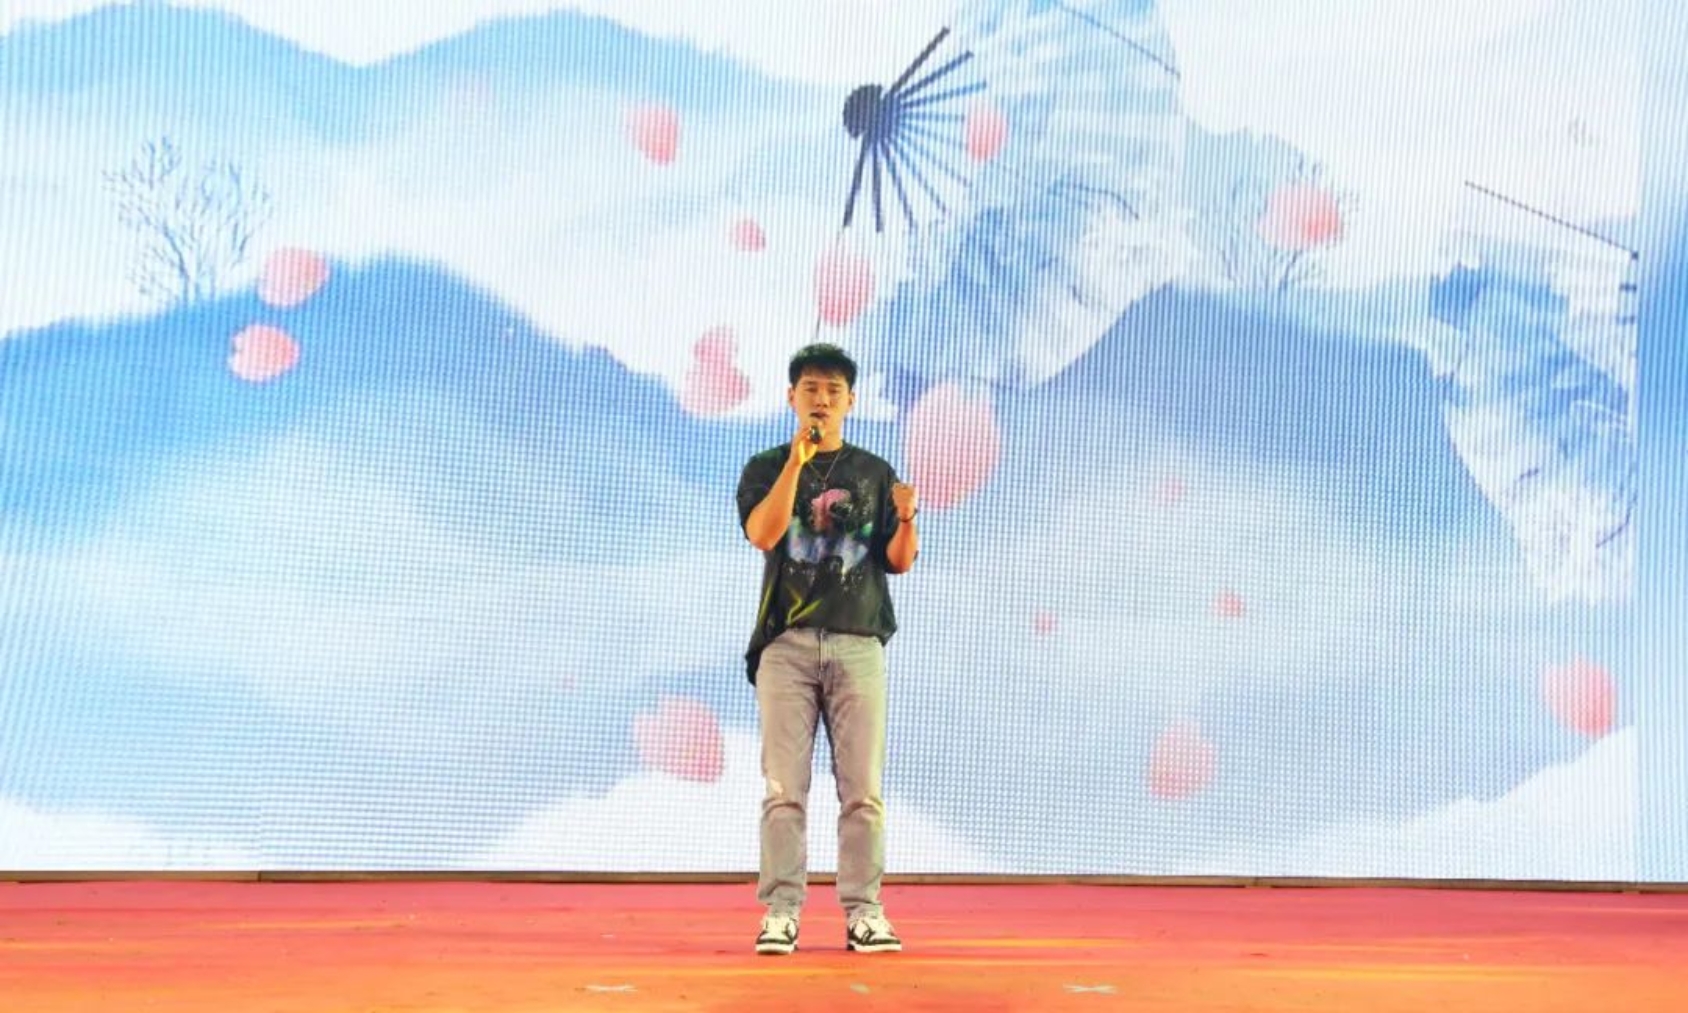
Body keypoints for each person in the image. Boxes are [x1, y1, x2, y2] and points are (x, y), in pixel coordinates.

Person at [735, 343, 920, 956]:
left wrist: (907, 519)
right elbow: (763, 533)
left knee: (862, 789)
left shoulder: (874, 472)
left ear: (850, 401)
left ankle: (865, 911)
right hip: (785, 647)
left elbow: (898, 562)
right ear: (792, 397)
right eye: (811, 389)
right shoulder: (767, 466)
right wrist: (796, 463)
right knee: (783, 789)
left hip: (857, 642)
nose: (822, 400)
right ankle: (781, 911)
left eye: (833, 391)